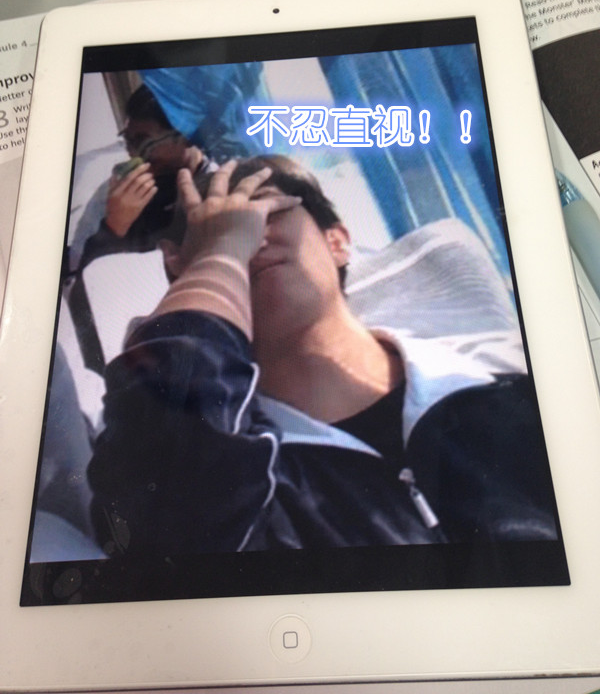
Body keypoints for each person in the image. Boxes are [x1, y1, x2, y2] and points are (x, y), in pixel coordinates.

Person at [88, 155, 559, 556]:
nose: (249, 237)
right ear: (181, 266)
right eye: (218, 228)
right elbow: (158, 507)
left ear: (337, 242)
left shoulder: (520, 391)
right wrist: (219, 257)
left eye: (265, 209)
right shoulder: (232, 477)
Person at [78, 84, 212, 268]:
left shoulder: (223, 187)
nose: (134, 154)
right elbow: (84, 275)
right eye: (128, 141)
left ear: (187, 136)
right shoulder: (117, 195)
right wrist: (114, 226)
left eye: (143, 142)